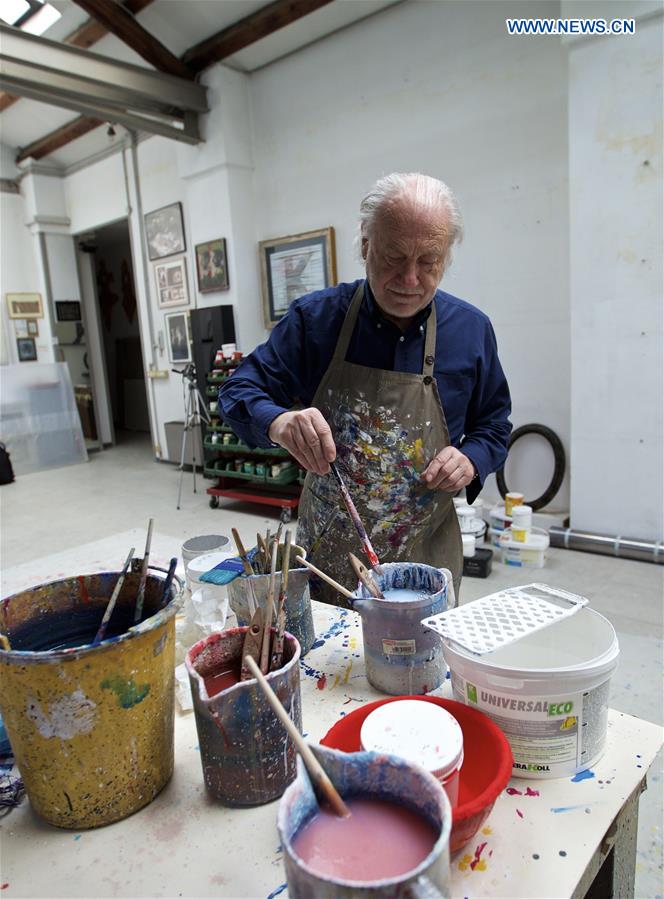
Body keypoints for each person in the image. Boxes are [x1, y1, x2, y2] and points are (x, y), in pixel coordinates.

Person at [219, 173, 511, 605]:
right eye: (394, 256)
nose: (409, 279)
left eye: (428, 261)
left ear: (447, 257)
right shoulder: (315, 321)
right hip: (328, 565)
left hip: (425, 570)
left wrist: (471, 459)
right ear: (365, 244)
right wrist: (280, 422)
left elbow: (494, 425)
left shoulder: (471, 331)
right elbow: (237, 392)